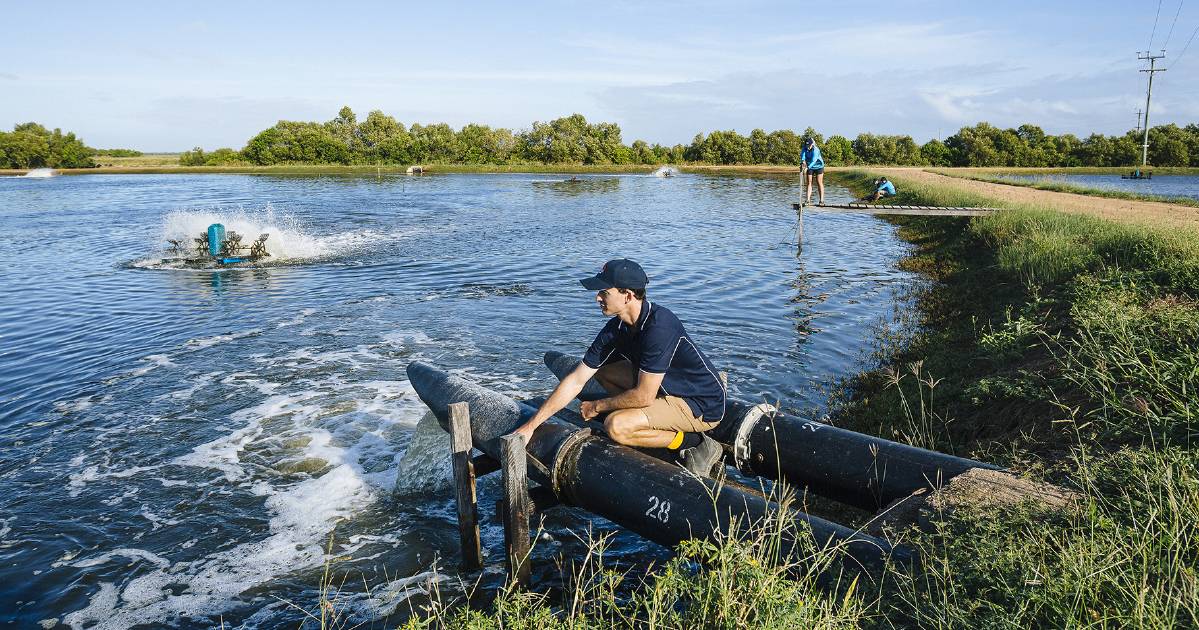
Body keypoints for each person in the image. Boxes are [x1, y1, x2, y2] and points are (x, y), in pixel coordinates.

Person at [510, 259, 727, 477]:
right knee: (603, 369)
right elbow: (576, 379)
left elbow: (644, 396)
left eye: (604, 292)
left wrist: (597, 407)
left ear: (628, 295)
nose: (597, 297)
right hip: (666, 390)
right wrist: (531, 425)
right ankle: (646, 419)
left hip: (700, 404)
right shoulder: (616, 329)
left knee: (616, 425)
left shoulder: (660, 326)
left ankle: (693, 443)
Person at [801, 137, 825, 205]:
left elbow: (814, 160)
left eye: (809, 145)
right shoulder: (804, 148)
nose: (808, 147)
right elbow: (803, 156)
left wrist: (807, 167)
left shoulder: (816, 150)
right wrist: (803, 162)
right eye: (806, 145)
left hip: (819, 166)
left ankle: (821, 200)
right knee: (809, 182)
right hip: (810, 166)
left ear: (812, 144)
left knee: (819, 182)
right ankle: (808, 200)